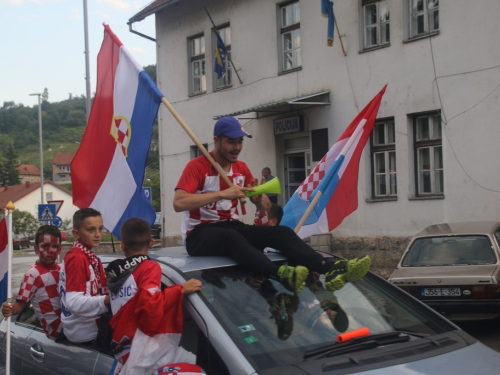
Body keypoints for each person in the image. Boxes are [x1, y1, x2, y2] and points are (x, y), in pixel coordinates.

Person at [173, 116, 371, 295]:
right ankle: (281, 275)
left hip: (231, 227)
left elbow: (263, 208)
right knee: (232, 237)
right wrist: (222, 194)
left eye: (240, 141)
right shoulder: (197, 166)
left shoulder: (241, 168)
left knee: (280, 232)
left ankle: (330, 267)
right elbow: (179, 202)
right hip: (198, 234)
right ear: (217, 141)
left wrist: (259, 201)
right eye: (231, 142)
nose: (237, 147)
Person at [106, 217, 202, 375]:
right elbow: (149, 306)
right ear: (151, 243)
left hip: (123, 350)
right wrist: (180, 290)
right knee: (201, 367)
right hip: (145, 349)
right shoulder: (149, 267)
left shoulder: (112, 273)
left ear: (122, 245)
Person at [1, 225, 63, 340]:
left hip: (68, 323)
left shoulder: (61, 269)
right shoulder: (32, 274)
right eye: (44, 246)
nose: (49, 251)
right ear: (36, 249)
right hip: (57, 329)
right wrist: (9, 309)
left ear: (59, 249)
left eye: (54, 246)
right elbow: (19, 306)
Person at [59, 208, 110, 344]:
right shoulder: (77, 258)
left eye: (100, 229)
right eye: (91, 230)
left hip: (88, 328)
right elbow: (74, 302)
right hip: (84, 334)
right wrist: (108, 300)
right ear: (76, 233)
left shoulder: (90, 257)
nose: (98, 234)